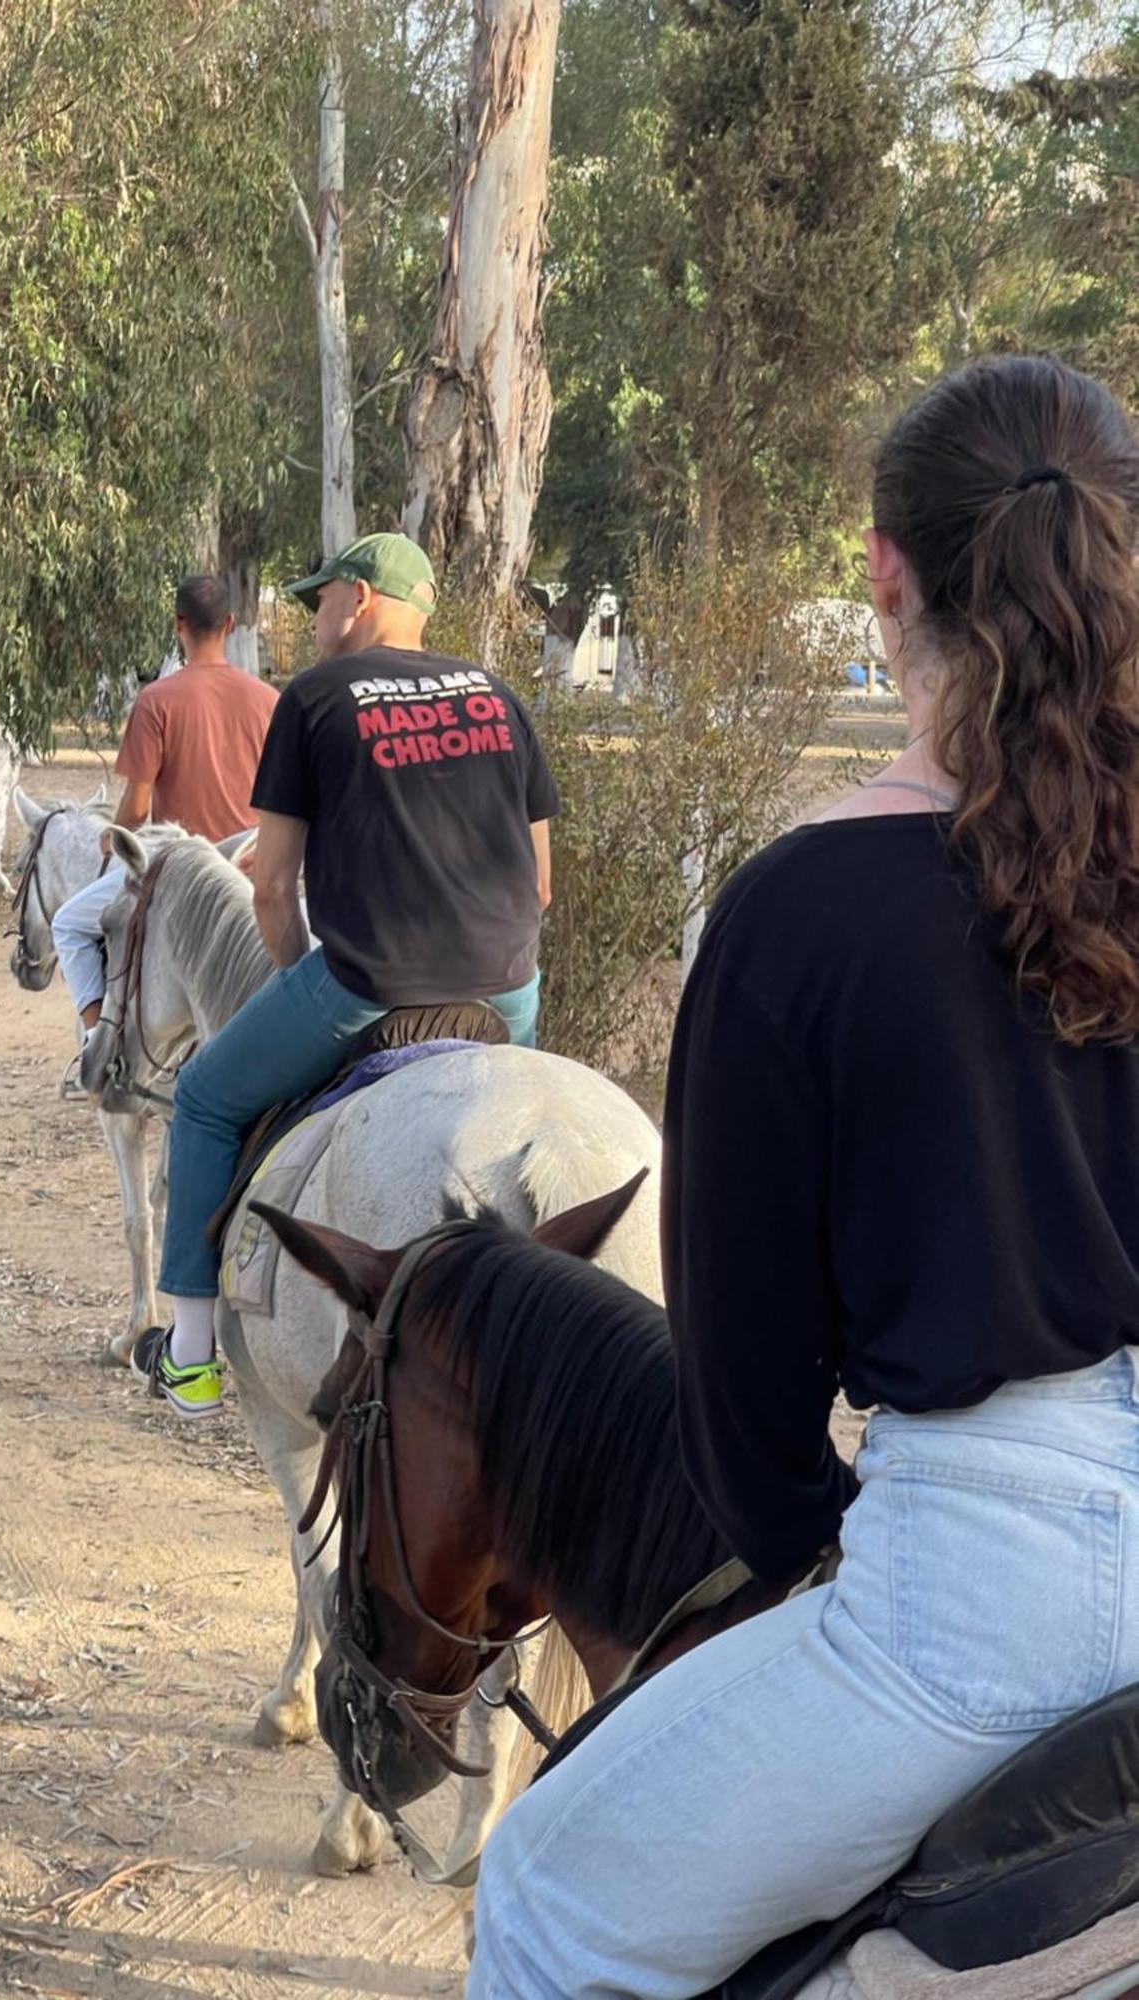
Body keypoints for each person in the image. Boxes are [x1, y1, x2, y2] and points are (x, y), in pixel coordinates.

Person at [466, 355, 1139, 1997]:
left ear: (884, 577)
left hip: (988, 1586)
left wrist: (810, 1543)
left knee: (548, 1897)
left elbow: (749, 1400)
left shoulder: (803, 910)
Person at [133, 530, 560, 1416]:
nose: (314, 617)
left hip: (371, 985)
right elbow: (542, 883)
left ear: (359, 598)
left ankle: (192, 1351)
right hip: (506, 987)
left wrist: (296, 980)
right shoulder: (499, 697)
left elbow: (272, 891)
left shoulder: (316, 698)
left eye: (319, 599)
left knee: (207, 1098)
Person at [51, 574, 278, 1044]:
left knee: (69, 925)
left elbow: (135, 809)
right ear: (231, 624)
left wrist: (111, 836)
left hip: (178, 872)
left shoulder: (156, 701)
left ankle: (98, 1046)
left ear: (178, 625)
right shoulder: (269, 701)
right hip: (252, 869)